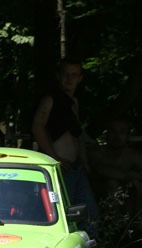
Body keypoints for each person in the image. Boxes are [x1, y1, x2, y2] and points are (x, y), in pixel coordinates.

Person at [31, 58, 98, 229]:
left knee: (89, 213)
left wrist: (85, 161)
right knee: (62, 214)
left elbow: (77, 134)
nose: (69, 79)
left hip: (76, 167)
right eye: (66, 74)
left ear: (80, 78)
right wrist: (55, 159)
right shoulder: (50, 99)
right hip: (60, 169)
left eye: (74, 75)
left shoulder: (74, 102)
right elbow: (37, 127)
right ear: (58, 76)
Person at [88, 117, 142, 212]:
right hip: (100, 196)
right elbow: (103, 171)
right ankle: (113, 219)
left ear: (127, 135)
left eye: (122, 132)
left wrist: (135, 181)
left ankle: (139, 220)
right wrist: (132, 178)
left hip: (130, 196)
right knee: (113, 184)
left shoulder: (133, 154)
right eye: (113, 131)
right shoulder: (98, 152)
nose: (117, 136)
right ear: (107, 133)